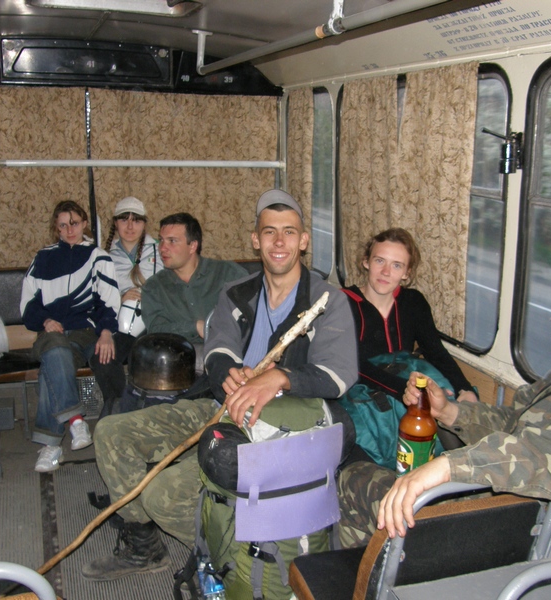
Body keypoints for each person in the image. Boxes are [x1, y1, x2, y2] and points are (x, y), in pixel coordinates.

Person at [82, 189, 358, 581]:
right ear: (255, 240)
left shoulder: (327, 300)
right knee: (111, 433)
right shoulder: (236, 292)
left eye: (289, 232)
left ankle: (234, 560)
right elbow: (218, 345)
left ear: (304, 241)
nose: (279, 242)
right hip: (221, 406)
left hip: (278, 427)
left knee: (162, 494)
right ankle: (146, 547)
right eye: (269, 232)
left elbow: (339, 373)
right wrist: (228, 370)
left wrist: (281, 377)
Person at [340, 263, 551, 546]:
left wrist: (450, 467)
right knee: (373, 475)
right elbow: (514, 422)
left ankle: (386, 573)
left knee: (359, 478)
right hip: (505, 506)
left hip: (513, 530)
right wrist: (449, 411)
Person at [20, 200, 121, 473]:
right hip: (51, 332)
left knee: (51, 365)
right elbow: (27, 305)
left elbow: (109, 302)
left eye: (74, 223)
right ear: (56, 228)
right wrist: (45, 320)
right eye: (62, 225)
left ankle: (51, 445)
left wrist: (106, 332)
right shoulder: (43, 258)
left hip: (85, 333)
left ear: (84, 223)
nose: (69, 230)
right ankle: (76, 421)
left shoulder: (98, 257)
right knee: (55, 350)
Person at [343, 227, 477, 400]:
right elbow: (354, 365)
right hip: (358, 393)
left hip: (406, 388)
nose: (386, 272)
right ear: (366, 262)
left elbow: (436, 352)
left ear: (407, 273)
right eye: (379, 261)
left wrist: (464, 388)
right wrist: (406, 390)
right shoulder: (343, 303)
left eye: (396, 265)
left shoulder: (413, 302)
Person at [90, 196, 163, 417]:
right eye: (124, 220)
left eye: (136, 220)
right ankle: (120, 411)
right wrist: (119, 298)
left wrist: (150, 297)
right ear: (115, 223)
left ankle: (141, 413)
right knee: (102, 358)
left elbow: (175, 286)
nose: (130, 226)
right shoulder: (104, 256)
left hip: (153, 325)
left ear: (144, 223)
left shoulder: (161, 250)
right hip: (121, 328)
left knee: (148, 356)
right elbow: (96, 298)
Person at [141, 212, 248, 354]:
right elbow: (156, 331)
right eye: (161, 240)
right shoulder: (153, 287)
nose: (162, 248)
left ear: (192, 246)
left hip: (231, 352)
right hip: (178, 358)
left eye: (172, 241)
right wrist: (196, 327)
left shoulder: (228, 274)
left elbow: (254, 314)